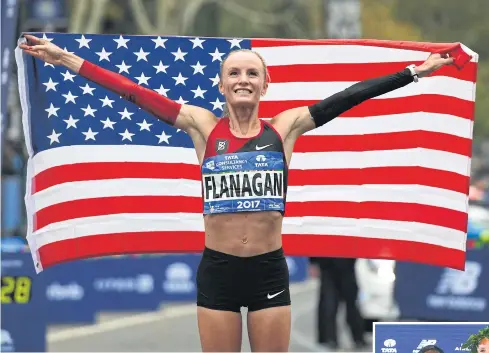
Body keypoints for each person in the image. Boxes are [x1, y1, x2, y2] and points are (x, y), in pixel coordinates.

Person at [19, 34, 454, 352]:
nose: (243, 79)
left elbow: (350, 97)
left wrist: (414, 72)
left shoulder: (285, 127)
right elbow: (133, 93)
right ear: (222, 85)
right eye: (234, 73)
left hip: (267, 271)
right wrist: (64, 59)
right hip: (219, 273)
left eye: (252, 73)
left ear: (265, 85)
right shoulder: (201, 125)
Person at [310, 256, 365, 350]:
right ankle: (331, 338)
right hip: (330, 266)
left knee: (351, 305)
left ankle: (357, 338)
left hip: (343, 265)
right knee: (330, 305)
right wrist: (313, 262)